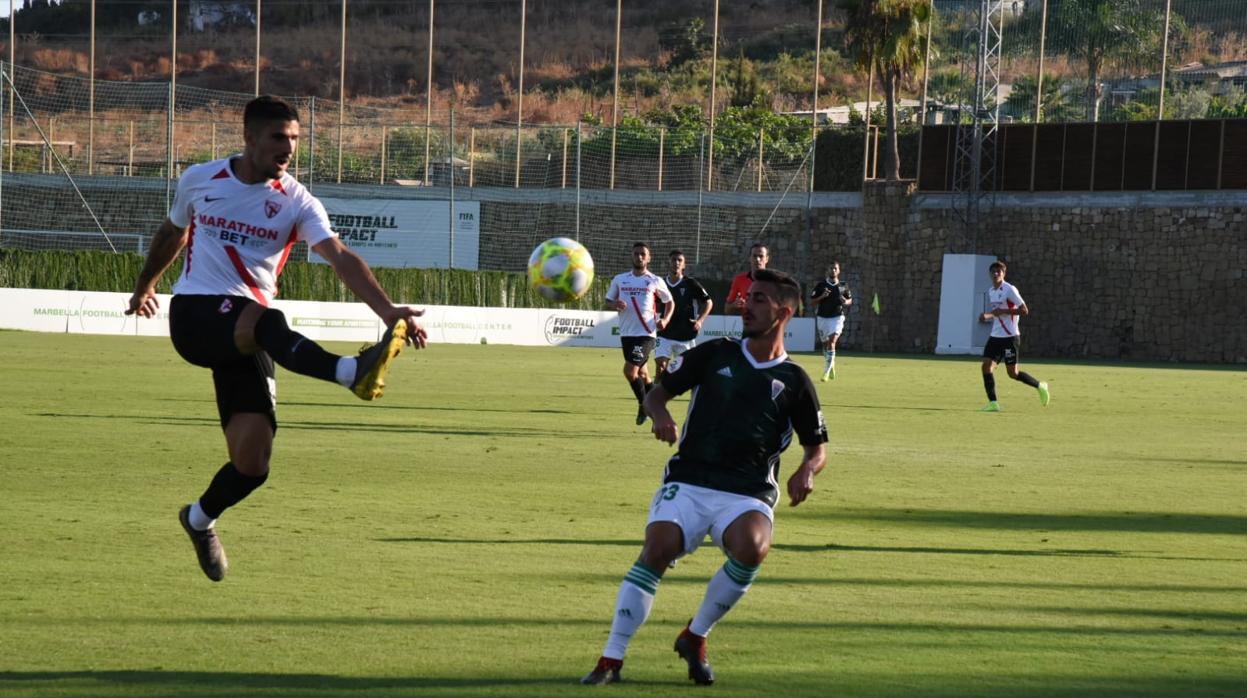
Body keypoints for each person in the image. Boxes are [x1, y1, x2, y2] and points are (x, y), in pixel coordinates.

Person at [125, 95, 428, 582]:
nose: (287, 149)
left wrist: (387, 308)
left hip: (250, 332)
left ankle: (199, 519)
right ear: (248, 137)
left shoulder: (296, 200)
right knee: (267, 319)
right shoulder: (199, 179)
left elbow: (339, 255)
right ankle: (349, 372)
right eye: (277, 138)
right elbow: (173, 233)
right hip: (198, 315)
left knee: (253, 464)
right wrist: (145, 285)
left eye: (293, 139)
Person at [582, 269, 828, 686]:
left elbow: (817, 446)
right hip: (691, 479)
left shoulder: (795, 381)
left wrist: (807, 470)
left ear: (784, 312)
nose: (745, 305)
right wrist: (660, 416)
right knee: (658, 547)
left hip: (747, 491)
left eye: (760, 300)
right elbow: (659, 392)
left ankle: (695, 636)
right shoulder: (715, 353)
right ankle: (611, 659)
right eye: (748, 298)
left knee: (753, 547)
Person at [605, 242, 674, 426]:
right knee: (643, 376)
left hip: (646, 334)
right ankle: (657, 406)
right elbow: (608, 300)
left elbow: (669, 302)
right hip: (627, 334)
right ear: (632, 256)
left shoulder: (654, 280)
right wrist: (615, 305)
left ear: (649, 258)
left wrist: (665, 320)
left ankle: (644, 405)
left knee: (629, 371)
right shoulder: (620, 279)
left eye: (643, 254)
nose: (639, 257)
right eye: (636, 253)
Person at [979, 260, 1050, 412]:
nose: (996, 273)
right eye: (994, 271)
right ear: (990, 274)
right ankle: (993, 403)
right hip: (995, 336)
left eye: (999, 271)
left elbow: (1024, 310)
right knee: (986, 366)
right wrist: (988, 316)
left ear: (1004, 274)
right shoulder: (991, 291)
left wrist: (1003, 312)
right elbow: (998, 312)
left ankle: (1040, 385)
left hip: (1010, 337)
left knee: (1013, 373)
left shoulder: (1010, 289)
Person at [655, 249, 713, 381]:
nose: (676, 262)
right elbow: (651, 302)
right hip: (665, 334)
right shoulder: (660, 284)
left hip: (686, 335)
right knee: (661, 367)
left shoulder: (691, 283)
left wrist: (700, 321)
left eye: (679, 260)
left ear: (684, 265)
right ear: (668, 263)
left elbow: (708, 302)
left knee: (689, 374)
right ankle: (654, 399)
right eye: (673, 260)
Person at [809, 260, 853, 381]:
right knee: (825, 344)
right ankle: (831, 365)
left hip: (837, 317)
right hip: (822, 317)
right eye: (831, 268)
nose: (833, 270)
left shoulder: (842, 285)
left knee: (832, 342)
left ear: (839, 271)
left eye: (835, 268)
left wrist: (845, 301)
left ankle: (826, 372)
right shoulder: (821, 285)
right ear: (827, 270)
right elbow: (812, 302)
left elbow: (850, 301)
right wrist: (822, 296)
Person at [724, 242, 769, 316]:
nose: (757, 259)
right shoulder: (739, 280)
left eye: (761, 256)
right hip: (748, 324)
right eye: (754, 256)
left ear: (767, 259)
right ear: (750, 258)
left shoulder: (774, 281)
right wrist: (734, 305)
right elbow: (727, 309)